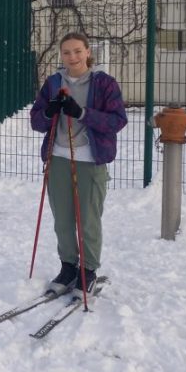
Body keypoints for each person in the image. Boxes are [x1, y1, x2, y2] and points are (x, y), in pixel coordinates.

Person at [30, 32, 126, 295]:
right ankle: (68, 266)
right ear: (61, 55)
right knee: (62, 219)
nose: (72, 57)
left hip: (89, 160)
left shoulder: (104, 83)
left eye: (77, 51)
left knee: (88, 219)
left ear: (87, 52)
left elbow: (117, 120)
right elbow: (36, 121)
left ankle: (88, 269)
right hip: (58, 157)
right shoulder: (53, 83)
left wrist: (81, 113)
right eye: (67, 52)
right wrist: (49, 112)